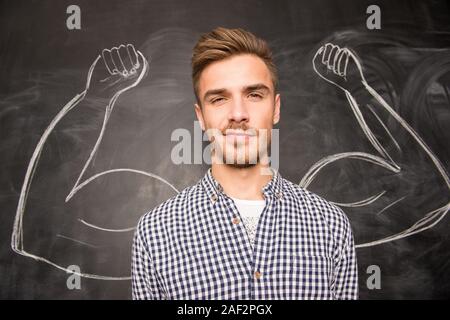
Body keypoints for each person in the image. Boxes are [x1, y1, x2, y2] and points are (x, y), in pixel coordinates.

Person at [131, 27, 358, 299]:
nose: (238, 114)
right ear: (201, 117)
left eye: (253, 95)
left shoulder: (330, 225)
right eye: (219, 99)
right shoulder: (155, 233)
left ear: (275, 109)